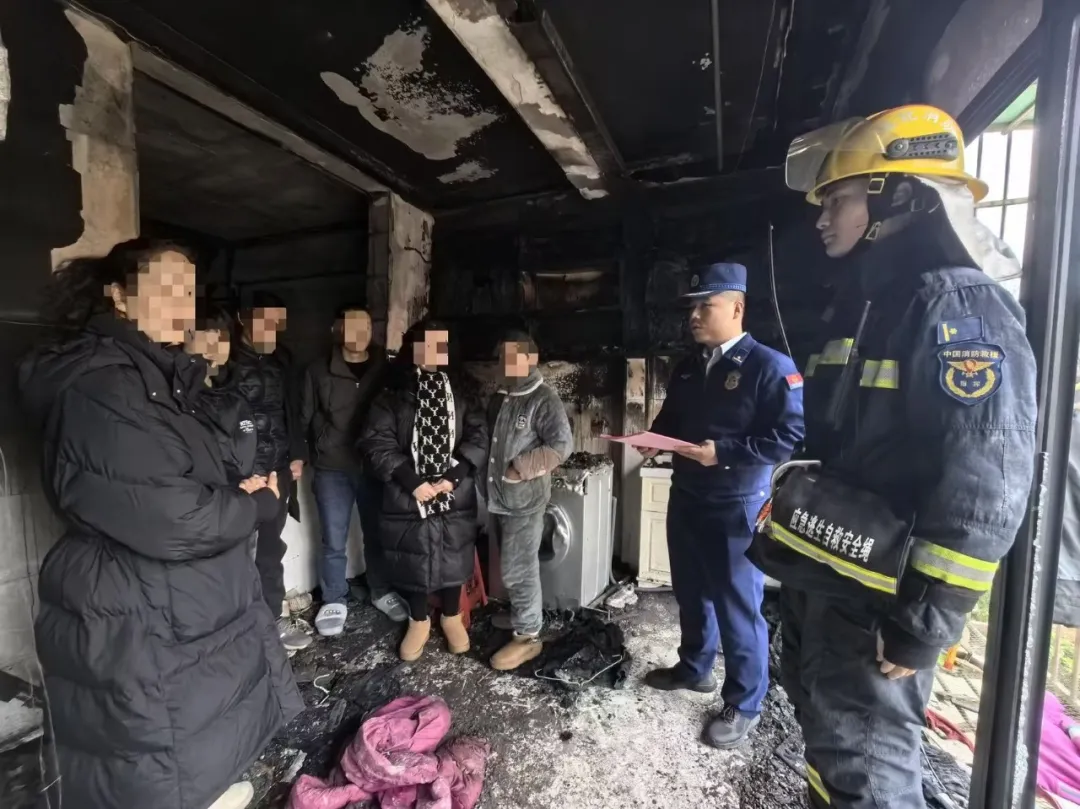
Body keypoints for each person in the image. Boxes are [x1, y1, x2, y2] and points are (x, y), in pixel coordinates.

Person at [750, 104, 1037, 808]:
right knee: (831, 745)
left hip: (882, 604)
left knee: (868, 768)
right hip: (835, 578)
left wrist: (924, 626)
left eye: (838, 200)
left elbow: (986, 487)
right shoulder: (871, 304)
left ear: (899, 196)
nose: (823, 218)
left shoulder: (959, 310)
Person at [18, 239, 304, 809]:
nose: (181, 303)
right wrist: (253, 507)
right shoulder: (105, 387)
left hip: (175, 597)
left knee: (184, 732)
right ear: (119, 296)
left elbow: (187, 470)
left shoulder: (156, 375)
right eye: (165, 287)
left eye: (188, 291)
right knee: (152, 742)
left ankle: (203, 791)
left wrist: (238, 483)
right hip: (139, 600)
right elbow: (174, 516)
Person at [638, 261, 805, 749]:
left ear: (736, 307)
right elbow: (670, 421)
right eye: (691, 307)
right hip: (688, 496)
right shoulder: (690, 367)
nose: (693, 316)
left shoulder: (770, 367)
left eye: (705, 306)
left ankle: (745, 703)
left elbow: (789, 437)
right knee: (690, 591)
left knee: (737, 606)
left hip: (737, 503)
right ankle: (694, 668)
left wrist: (725, 452)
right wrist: (651, 440)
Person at [359, 320, 489, 662]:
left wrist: (454, 476)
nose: (432, 352)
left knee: (453, 552)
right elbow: (377, 440)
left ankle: (450, 617)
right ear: (412, 348)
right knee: (413, 557)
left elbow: (478, 435)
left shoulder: (464, 389)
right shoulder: (393, 391)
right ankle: (419, 621)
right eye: (425, 344)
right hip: (408, 491)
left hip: (453, 489)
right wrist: (412, 481)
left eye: (439, 345)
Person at [301, 304, 408, 637]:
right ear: (338, 330)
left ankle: (381, 590)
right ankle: (334, 597)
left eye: (365, 328)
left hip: (374, 465)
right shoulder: (318, 371)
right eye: (351, 327)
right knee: (333, 537)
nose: (359, 334)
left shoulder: (385, 369)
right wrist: (304, 454)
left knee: (376, 532)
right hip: (332, 466)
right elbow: (304, 416)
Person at [221, 289, 312, 652]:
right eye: (265, 321)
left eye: (277, 323)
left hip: (276, 472)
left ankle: (272, 622)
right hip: (237, 477)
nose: (272, 329)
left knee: (271, 550)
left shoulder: (283, 361)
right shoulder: (225, 359)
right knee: (232, 553)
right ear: (243, 319)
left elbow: (292, 412)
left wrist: (296, 454)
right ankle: (235, 631)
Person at [486, 330, 573, 671]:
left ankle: (528, 637)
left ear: (530, 359)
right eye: (502, 357)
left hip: (523, 500)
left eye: (513, 356)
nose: (505, 363)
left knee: (518, 568)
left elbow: (561, 445)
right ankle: (522, 614)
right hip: (498, 498)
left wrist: (518, 469)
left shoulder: (543, 398)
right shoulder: (501, 396)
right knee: (511, 564)